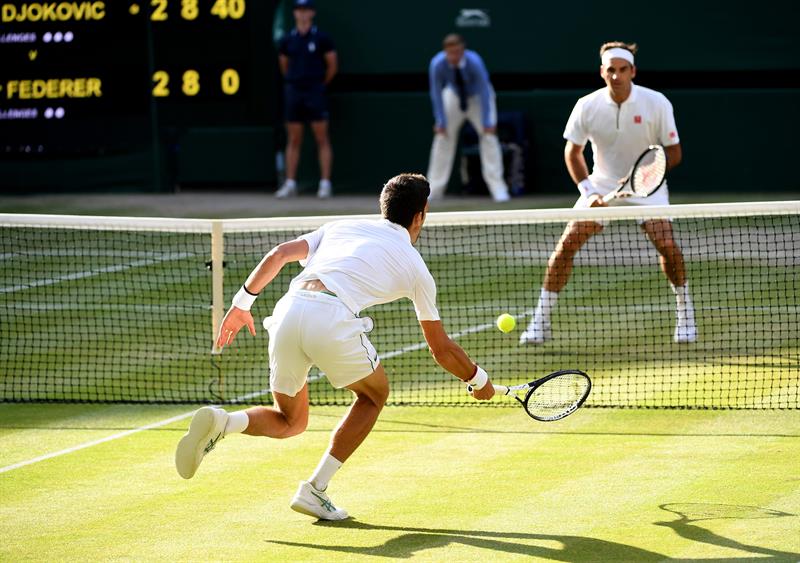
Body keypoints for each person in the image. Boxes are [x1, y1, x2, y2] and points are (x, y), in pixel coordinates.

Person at [175, 173, 495, 520]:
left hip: (287, 310)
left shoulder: (340, 226)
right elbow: (441, 349)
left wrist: (241, 304)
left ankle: (225, 422)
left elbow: (280, 253)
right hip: (330, 316)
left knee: (290, 421)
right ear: (421, 215)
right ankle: (315, 489)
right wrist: (478, 380)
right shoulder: (416, 267)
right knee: (373, 395)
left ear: (383, 207)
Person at [520, 41, 697, 345]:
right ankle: (539, 322)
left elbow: (675, 153)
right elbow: (573, 153)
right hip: (601, 185)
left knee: (667, 244)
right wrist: (588, 192)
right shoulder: (587, 105)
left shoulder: (657, 103)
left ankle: (686, 314)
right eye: (610, 70)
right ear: (602, 72)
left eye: (622, 70)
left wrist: (645, 176)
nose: (616, 76)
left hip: (647, 187)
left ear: (632, 71)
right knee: (565, 247)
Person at [426, 34, 510, 202]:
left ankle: (498, 189)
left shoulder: (475, 62)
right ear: (445, 52)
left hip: (478, 98)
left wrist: (487, 122)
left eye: (457, 52)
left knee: (489, 137)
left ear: (463, 50)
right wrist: (440, 120)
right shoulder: (437, 64)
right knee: (442, 138)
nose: (454, 56)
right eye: (450, 53)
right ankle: (433, 191)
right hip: (454, 96)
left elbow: (485, 91)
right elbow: (436, 92)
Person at [275, 0, 337, 199]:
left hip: (315, 92)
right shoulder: (287, 40)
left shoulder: (322, 38)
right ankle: (290, 183)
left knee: (321, 138)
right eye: (299, 10)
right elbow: (284, 65)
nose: (302, 14)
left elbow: (332, 66)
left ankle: (325, 184)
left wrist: (318, 84)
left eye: (306, 10)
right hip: (294, 92)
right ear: (294, 14)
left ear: (312, 13)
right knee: (294, 139)